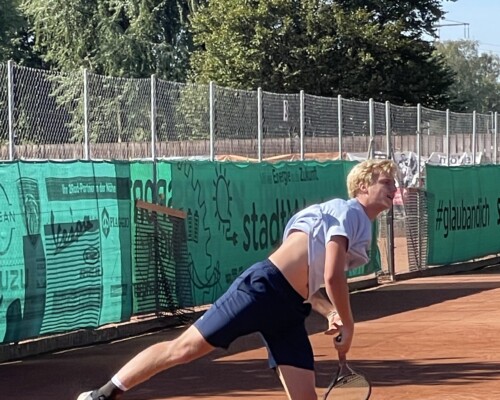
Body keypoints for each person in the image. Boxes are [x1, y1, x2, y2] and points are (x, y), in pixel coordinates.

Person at [77, 158, 397, 400]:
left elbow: (312, 280)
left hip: (289, 309)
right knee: (184, 349)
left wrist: (330, 311)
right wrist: (348, 324)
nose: (393, 188)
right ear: (362, 187)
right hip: (262, 289)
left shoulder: (361, 229)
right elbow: (332, 275)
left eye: (394, 184)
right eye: (386, 182)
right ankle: (102, 395)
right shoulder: (347, 211)